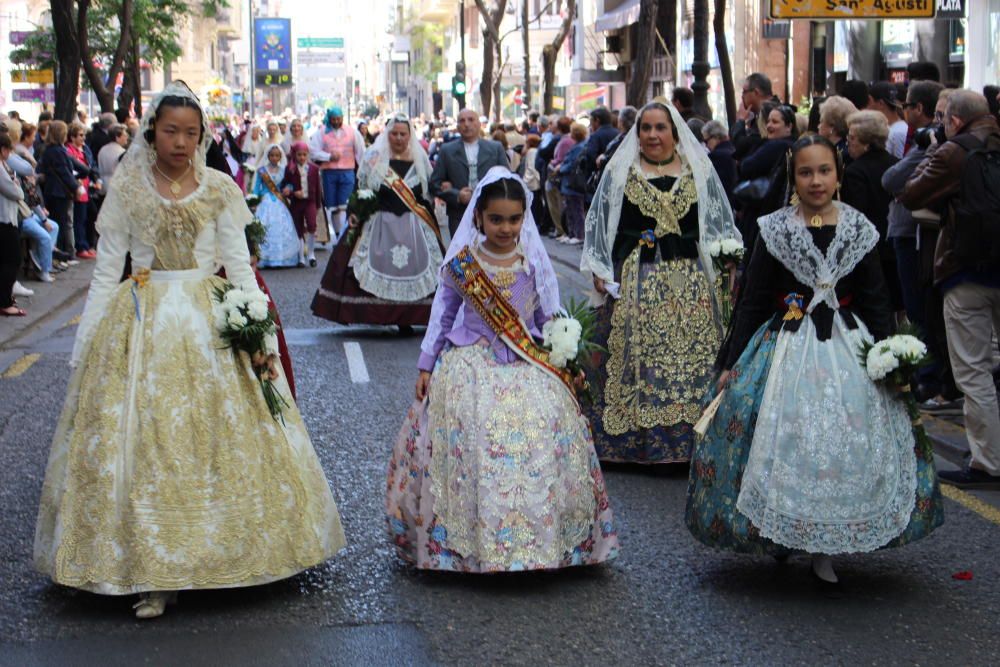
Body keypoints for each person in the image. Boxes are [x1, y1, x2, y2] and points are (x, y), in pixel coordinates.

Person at [33, 82, 345, 619]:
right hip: (143, 316)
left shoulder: (220, 188)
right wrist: (85, 347)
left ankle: (230, 552)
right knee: (146, 440)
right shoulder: (129, 189)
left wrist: (261, 333)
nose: (180, 141)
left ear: (202, 136)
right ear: (153, 131)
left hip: (209, 313)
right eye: (171, 130)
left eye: (191, 133)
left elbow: (239, 265)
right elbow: (109, 271)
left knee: (219, 438)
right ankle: (151, 567)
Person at [687, 134, 943, 583]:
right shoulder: (774, 228)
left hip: (846, 345)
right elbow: (752, 300)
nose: (816, 180)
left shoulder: (858, 227)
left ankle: (823, 543)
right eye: (805, 172)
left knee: (839, 443)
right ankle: (784, 533)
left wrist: (889, 355)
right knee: (784, 440)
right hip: (784, 345)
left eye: (824, 171)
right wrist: (730, 361)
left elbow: (875, 298)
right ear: (793, 178)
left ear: (838, 175)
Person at [387, 167, 619, 571]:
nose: (506, 228)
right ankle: (466, 544)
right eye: (496, 219)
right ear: (478, 217)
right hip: (471, 363)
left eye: (514, 219)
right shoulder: (463, 264)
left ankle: (543, 541)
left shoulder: (532, 262)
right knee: (470, 438)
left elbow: (551, 315)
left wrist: (568, 357)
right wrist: (426, 364)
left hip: (526, 358)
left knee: (545, 431)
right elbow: (442, 317)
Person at [581, 101, 740, 464]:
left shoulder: (697, 169)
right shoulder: (622, 170)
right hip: (639, 277)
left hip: (692, 280)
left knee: (695, 358)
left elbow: (715, 220)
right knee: (644, 359)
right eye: (646, 128)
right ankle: (643, 442)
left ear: (674, 131)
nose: (652, 135)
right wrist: (601, 268)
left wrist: (726, 260)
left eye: (660, 128)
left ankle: (695, 438)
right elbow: (602, 223)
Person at [900, 90, 1000, 489]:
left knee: (973, 372)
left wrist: (934, 149)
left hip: (965, 271)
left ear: (955, 121)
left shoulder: (953, 152)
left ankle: (987, 462)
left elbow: (910, 193)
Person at [312, 113, 443, 329]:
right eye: (394, 134)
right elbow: (361, 188)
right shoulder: (374, 158)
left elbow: (426, 194)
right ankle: (377, 315)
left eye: (403, 134)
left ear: (409, 135)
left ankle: (408, 319)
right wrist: (355, 211)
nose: (399, 138)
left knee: (415, 269)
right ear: (387, 134)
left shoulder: (421, 161)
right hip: (379, 222)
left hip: (413, 225)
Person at [842, 110, 901, 312]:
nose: (847, 142)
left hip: (870, 248)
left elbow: (856, 213)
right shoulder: (896, 164)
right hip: (893, 245)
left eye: (851, 138)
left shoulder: (855, 171)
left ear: (867, 143)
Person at [430, 109, 509, 237]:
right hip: (459, 217)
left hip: (491, 215)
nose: (466, 124)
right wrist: (457, 195)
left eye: (471, 120)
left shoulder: (495, 149)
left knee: (488, 254)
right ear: (457, 127)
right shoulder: (447, 150)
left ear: (479, 124)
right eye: (462, 121)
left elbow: (507, 181)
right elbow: (434, 184)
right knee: (463, 255)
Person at [309, 108, 365, 241]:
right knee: (332, 207)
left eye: (338, 119)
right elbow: (312, 151)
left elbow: (361, 152)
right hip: (329, 173)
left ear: (342, 118)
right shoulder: (321, 132)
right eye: (334, 119)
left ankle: (342, 236)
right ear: (329, 118)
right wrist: (328, 156)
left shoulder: (352, 132)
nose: (336, 121)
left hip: (347, 172)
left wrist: (363, 170)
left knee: (343, 205)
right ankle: (338, 233)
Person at [38, 120, 85, 258]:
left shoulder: (48, 149)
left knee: (60, 223)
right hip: (59, 192)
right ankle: (58, 254)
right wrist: (77, 186)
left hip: (52, 191)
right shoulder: (58, 151)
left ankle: (58, 253)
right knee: (61, 224)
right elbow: (65, 172)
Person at [252, 144, 301, 268]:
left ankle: (280, 258)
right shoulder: (262, 170)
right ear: (268, 156)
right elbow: (257, 187)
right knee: (265, 226)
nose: (274, 158)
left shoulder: (285, 170)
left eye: (277, 156)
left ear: (280, 157)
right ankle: (265, 258)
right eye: (272, 155)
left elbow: (290, 184)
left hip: (280, 201)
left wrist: (288, 189)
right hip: (265, 201)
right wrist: (253, 200)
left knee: (281, 228)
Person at [282, 141, 322, 267]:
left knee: (312, 225)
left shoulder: (314, 169)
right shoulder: (290, 169)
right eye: (299, 155)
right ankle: (301, 257)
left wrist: (318, 204)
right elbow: (285, 186)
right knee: (298, 227)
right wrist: (292, 193)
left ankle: (311, 254)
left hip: (310, 201)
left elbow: (318, 187)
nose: (302, 157)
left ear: (308, 154)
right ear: (295, 155)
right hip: (297, 202)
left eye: (304, 155)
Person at [0, 134, 26, 316]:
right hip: (4, 219)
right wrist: (17, 187)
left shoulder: (4, 165)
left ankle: (6, 297)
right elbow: (15, 191)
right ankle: (4, 301)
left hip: (7, 217)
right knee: (12, 259)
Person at [66, 122, 98, 258]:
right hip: (78, 189)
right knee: (80, 218)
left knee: (92, 215)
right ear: (72, 137)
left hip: (87, 188)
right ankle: (81, 246)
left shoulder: (85, 149)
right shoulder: (69, 151)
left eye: (84, 135)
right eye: (80, 135)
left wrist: (96, 179)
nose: (83, 138)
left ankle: (89, 244)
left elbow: (91, 165)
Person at [558, 122, 589, 245]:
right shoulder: (578, 145)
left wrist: (560, 168)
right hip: (570, 182)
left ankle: (579, 235)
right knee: (570, 209)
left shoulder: (579, 147)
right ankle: (571, 233)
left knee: (576, 209)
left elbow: (572, 164)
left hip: (573, 182)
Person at [732, 73, 772, 161]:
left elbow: (741, 146)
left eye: (744, 92)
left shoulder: (770, 113)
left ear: (756, 92)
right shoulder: (758, 115)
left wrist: (740, 120)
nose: (742, 97)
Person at [868, 82, 908, 159]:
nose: (867, 106)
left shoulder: (897, 133)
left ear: (880, 103)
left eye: (869, 101)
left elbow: (900, 166)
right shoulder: (894, 129)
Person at [702, 120, 737, 202]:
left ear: (716, 137)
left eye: (706, 141)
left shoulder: (716, 156)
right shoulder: (732, 150)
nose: (706, 145)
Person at [818, 96, 859, 167]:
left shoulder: (837, 154)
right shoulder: (848, 148)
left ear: (832, 126)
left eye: (821, 122)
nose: (818, 126)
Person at [97, 124, 129, 195]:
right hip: (117, 187)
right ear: (117, 137)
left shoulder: (102, 149)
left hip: (103, 187)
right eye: (124, 135)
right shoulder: (122, 152)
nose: (127, 137)